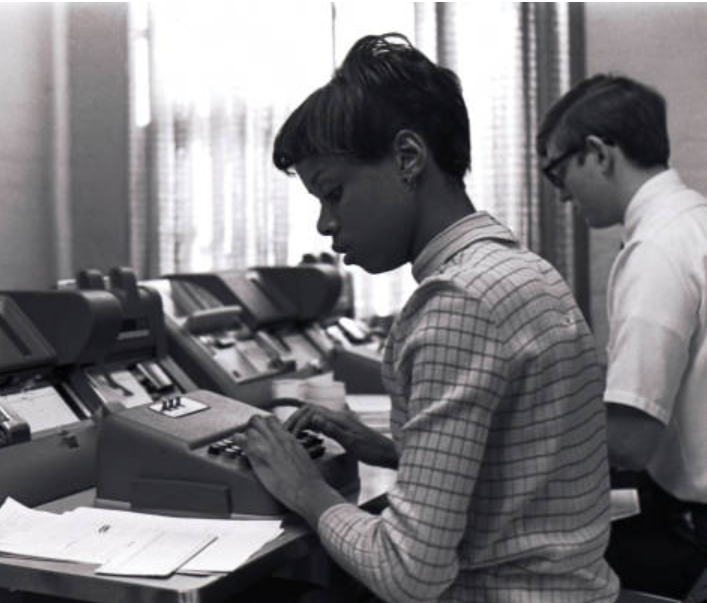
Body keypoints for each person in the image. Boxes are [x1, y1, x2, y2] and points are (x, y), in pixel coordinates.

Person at [235, 33, 619, 602]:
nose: (324, 224)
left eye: (333, 193)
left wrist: (307, 490)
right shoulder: (519, 269)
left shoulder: (457, 303)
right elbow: (517, 471)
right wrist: (394, 450)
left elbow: (408, 574)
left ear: (408, 158)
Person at [537, 73, 707, 599]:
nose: (561, 196)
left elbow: (630, 441)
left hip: (694, 531)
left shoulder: (655, 251)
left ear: (598, 153)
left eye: (556, 171)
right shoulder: (693, 222)